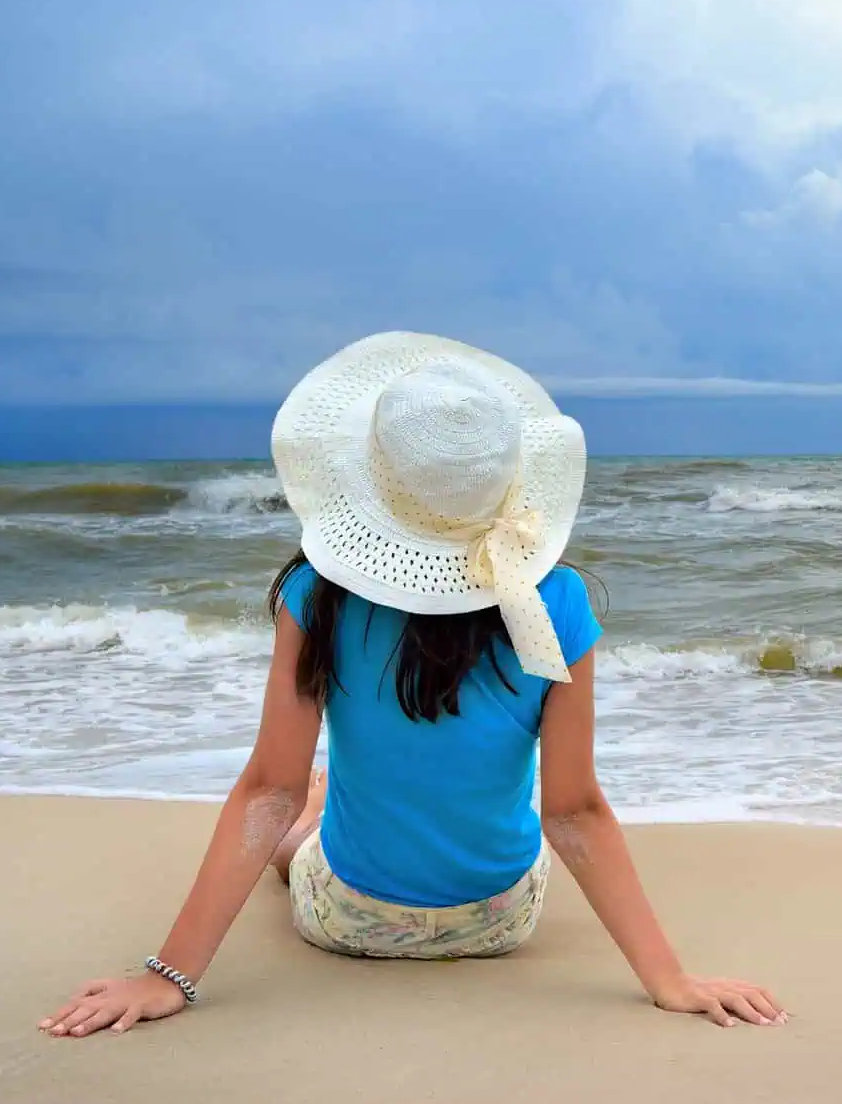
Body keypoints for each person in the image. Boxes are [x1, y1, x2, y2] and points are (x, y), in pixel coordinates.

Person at [41, 332, 785, 1037]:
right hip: (501, 918)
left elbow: (266, 791)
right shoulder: (554, 602)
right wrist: (669, 977)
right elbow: (575, 813)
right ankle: (343, 799)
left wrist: (169, 976)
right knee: (370, 793)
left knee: (297, 812)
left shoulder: (318, 595)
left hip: (349, 920)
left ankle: (329, 807)